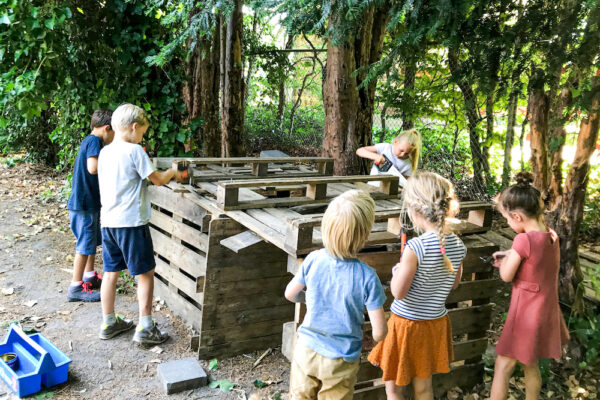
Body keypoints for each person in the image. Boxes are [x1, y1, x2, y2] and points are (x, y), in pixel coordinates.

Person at [368, 171, 466, 400]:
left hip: (406, 326)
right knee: (423, 388)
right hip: (434, 324)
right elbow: (454, 284)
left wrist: (398, 271)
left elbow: (398, 292)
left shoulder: (415, 247)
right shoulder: (458, 245)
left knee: (393, 389)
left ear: (413, 209)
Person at [285, 190, 388, 400]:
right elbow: (379, 331)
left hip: (306, 349)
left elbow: (290, 294)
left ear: (326, 227)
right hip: (341, 358)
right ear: (365, 235)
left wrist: (310, 299)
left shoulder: (313, 259)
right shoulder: (367, 277)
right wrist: (371, 340)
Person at [97, 103, 182, 345]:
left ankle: (109, 321)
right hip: (131, 223)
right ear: (134, 127)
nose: (142, 136)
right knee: (145, 273)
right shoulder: (135, 151)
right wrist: (172, 172)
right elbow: (156, 180)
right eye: (142, 132)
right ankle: (145, 327)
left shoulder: (105, 152)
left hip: (109, 223)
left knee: (111, 272)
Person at [490, 171, 569, 400]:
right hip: (544, 312)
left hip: (525, 314)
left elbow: (506, 275)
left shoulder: (522, 240)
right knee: (530, 364)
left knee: (502, 366)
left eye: (506, 218)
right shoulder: (550, 236)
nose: (507, 222)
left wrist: (506, 261)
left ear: (517, 216)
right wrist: (511, 254)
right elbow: (537, 261)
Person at [66, 110, 114, 302]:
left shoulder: (90, 140)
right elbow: (92, 168)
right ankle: (75, 288)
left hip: (87, 203)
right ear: (107, 128)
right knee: (84, 246)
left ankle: (89, 276)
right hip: (84, 204)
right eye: (114, 133)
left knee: (91, 242)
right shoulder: (95, 141)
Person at [356, 129, 421, 187]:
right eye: (401, 150)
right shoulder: (385, 148)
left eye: (407, 153)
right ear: (396, 142)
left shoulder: (407, 164)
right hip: (372, 186)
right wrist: (376, 156)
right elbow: (359, 151)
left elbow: (406, 182)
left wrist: (395, 173)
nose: (402, 154)